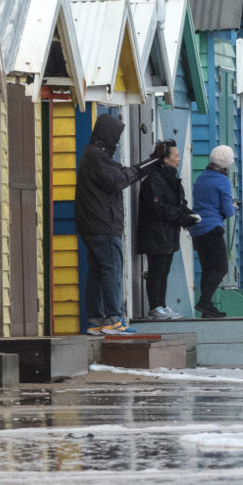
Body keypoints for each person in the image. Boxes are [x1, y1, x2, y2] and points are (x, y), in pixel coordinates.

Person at [77, 113, 165, 336]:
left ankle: (96, 320)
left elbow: (125, 173)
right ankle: (114, 319)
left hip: (92, 225)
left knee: (97, 273)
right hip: (104, 225)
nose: (116, 143)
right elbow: (119, 180)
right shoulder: (97, 158)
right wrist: (151, 163)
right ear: (109, 136)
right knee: (111, 272)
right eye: (116, 137)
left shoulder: (93, 156)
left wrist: (150, 162)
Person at [137, 141, 201, 320]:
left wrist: (189, 215)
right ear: (165, 159)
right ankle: (155, 307)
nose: (179, 159)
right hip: (156, 233)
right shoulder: (154, 179)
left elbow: (179, 203)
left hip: (168, 233)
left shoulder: (171, 178)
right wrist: (182, 217)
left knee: (164, 271)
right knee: (156, 271)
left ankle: (162, 305)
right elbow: (159, 208)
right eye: (176, 156)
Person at [190, 145, 237, 318]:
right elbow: (228, 211)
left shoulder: (201, 177)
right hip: (213, 228)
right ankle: (204, 301)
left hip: (197, 228)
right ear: (227, 163)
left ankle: (207, 309)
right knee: (221, 267)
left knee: (207, 269)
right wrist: (234, 206)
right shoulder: (222, 180)